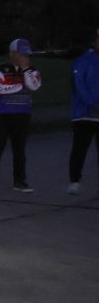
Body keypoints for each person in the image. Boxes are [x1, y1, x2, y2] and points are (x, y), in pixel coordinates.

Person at [0, 38, 41, 193]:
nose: (25, 57)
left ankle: (20, 181)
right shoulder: (0, 68)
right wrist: (19, 86)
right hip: (2, 113)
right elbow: (1, 88)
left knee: (20, 149)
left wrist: (25, 70)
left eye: (27, 54)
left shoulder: (32, 70)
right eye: (21, 54)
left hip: (23, 114)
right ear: (12, 54)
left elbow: (34, 86)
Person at [68, 28, 99, 195]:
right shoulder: (82, 61)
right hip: (83, 115)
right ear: (93, 41)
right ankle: (74, 181)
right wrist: (92, 103)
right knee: (79, 149)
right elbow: (79, 85)